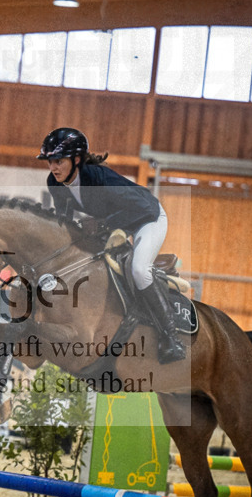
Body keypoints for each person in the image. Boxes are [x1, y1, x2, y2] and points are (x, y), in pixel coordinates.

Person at [38, 126, 185, 364]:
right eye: (49, 161)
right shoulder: (55, 183)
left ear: (76, 159)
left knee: (139, 269)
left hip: (149, 219)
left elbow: (143, 208)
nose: (53, 167)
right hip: (118, 225)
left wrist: (103, 224)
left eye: (58, 161)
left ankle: (171, 337)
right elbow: (63, 222)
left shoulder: (97, 177)